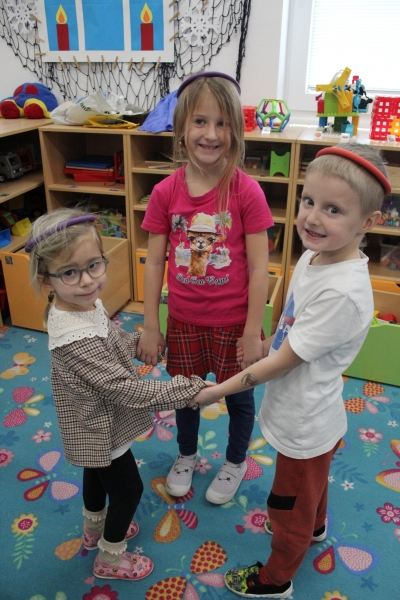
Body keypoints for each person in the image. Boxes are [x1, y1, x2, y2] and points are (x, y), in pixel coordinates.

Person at [188, 143, 391, 598]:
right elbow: (291, 323)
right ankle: (314, 526)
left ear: (367, 222)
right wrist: (266, 341)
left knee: (286, 508)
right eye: (308, 201)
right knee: (308, 494)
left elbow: (282, 364)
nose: (312, 218)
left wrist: (216, 391)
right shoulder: (318, 256)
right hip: (305, 412)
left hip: (306, 425)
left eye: (333, 210)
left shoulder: (343, 293)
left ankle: (274, 579)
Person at [26, 207, 207, 582]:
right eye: (70, 272)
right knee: (128, 491)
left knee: (95, 473)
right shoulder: (74, 338)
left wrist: (142, 344)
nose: (87, 281)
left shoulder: (80, 305)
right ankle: (110, 557)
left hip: (92, 421)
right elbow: (123, 389)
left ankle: (94, 529)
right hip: (99, 424)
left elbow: (111, 338)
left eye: (94, 265)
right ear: (46, 280)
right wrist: (186, 390)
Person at [136, 71, 274, 504]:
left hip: (234, 325)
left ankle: (235, 461)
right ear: (181, 127)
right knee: (186, 395)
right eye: (200, 121)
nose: (211, 134)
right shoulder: (164, 192)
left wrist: (252, 331)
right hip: (183, 321)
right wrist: (150, 325)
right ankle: (187, 455)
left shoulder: (247, 192)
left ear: (235, 131)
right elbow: (154, 261)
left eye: (222, 123)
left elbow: (259, 268)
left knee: (239, 400)